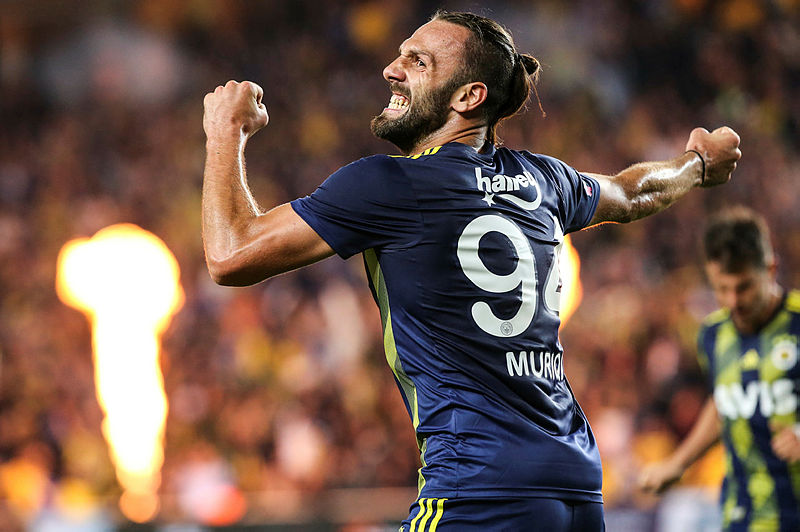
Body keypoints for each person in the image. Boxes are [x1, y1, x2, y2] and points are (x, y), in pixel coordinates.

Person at [202, 10, 741, 531]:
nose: (391, 69)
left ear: (468, 97)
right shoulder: (545, 181)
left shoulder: (388, 185)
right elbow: (632, 192)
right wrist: (697, 165)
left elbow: (231, 255)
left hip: (477, 490)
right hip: (575, 489)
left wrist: (227, 131)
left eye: (418, 61)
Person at [639, 207, 800, 531]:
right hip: (743, 514)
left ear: (771, 269)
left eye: (744, 287)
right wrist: (678, 463)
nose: (733, 301)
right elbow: (724, 403)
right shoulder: (713, 335)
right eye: (721, 289)